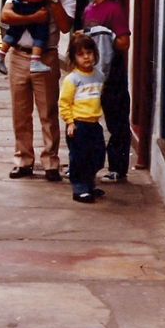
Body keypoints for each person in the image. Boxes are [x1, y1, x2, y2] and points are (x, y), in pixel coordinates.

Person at [0, 0, 75, 181]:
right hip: (20, 54)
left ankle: (51, 162)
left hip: (47, 56)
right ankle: (23, 159)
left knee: (48, 111)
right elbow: (5, 15)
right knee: (20, 111)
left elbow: (65, 26)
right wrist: (32, 19)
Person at [80, 0, 132, 183]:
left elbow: (124, 42)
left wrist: (104, 34)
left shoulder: (113, 9)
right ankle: (84, 163)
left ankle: (118, 168)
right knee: (85, 118)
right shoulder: (89, 9)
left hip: (112, 74)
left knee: (116, 121)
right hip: (91, 72)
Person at [59, 33, 107, 203]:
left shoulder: (99, 76)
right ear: (73, 58)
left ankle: (89, 183)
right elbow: (64, 103)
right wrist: (70, 122)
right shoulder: (72, 79)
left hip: (94, 124)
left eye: (89, 53)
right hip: (79, 125)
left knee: (97, 155)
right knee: (79, 157)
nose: (86, 57)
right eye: (80, 54)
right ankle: (80, 187)